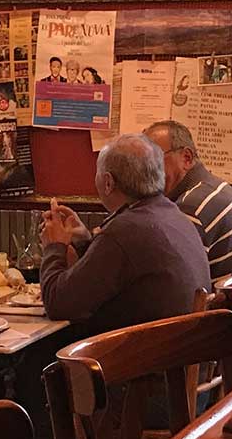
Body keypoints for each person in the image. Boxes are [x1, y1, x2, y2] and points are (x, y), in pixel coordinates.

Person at [39, 134, 209, 334]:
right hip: (180, 353)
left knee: (35, 358)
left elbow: (58, 304)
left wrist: (54, 246)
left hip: (141, 360)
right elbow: (114, 275)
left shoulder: (124, 231)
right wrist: (85, 241)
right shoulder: (173, 214)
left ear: (108, 183)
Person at [144, 120, 232, 284]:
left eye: (154, 159)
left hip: (221, 309)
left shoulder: (191, 207)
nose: (146, 170)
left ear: (186, 157)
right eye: (142, 162)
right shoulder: (215, 186)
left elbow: (173, 282)